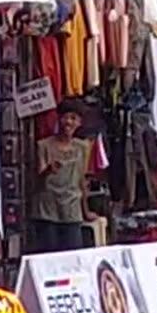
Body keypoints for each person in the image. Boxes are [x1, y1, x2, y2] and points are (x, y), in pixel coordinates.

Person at [31, 100, 95, 253]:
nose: (69, 122)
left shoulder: (82, 147)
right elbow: (37, 180)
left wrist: (85, 211)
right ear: (59, 119)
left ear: (79, 123)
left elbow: (81, 180)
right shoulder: (44, 145)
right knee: (49, 256)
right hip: (47, 210)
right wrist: (48, 170)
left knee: (72, 256)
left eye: (74, 118)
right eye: (66, 117)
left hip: (72, 209)